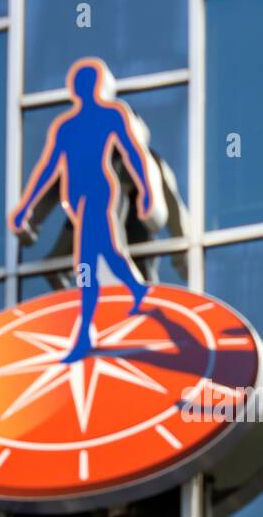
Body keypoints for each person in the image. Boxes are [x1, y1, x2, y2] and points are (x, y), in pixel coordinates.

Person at [10, 57, 156, 363]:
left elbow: (132, 152)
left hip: (96, 192)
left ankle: (85, 332)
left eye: (87, 82)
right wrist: (26, 207)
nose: (82, 87)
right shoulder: (66, 126)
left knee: (85, 262)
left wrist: (145, 190)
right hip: (76, 198)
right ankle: (136, 289)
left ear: (95, 85)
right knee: (106, 251)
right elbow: (49, 167)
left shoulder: (110, 115)